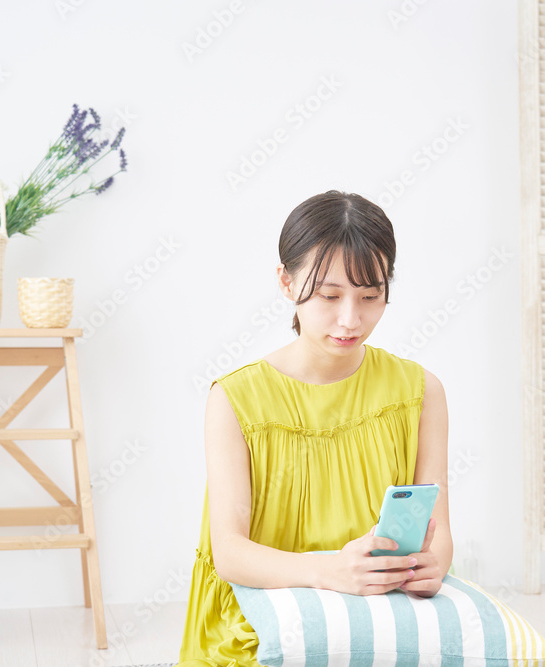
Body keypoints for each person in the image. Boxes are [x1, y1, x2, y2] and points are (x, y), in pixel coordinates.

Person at [177, 190, 452, 666]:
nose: (350, 319)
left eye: (371, 296)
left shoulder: (421, 391)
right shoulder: (235, 399)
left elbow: (438, 531)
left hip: (380, 610)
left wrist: (433, 565)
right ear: (286, 282)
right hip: (258, 616)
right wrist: (331, 571)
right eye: (329, 295)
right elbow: (230, 554)